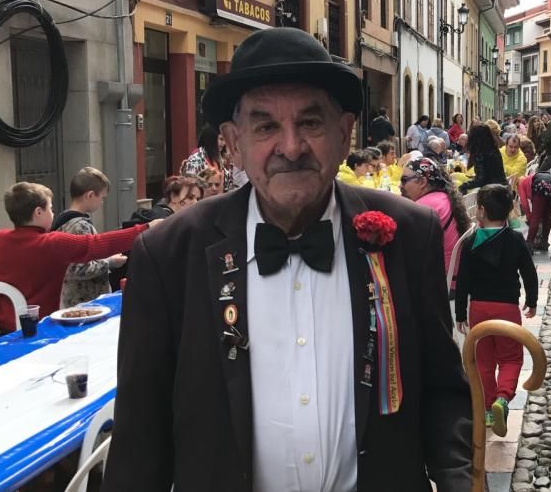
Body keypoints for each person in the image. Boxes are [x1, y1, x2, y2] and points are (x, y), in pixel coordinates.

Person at [103, 27, 471, 492]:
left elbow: (442, 389)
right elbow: (140, 436)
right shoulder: (168, 255)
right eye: (265, 127)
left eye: (310, 123)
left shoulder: (409, 236)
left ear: (343, 135)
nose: (291, 146)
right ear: (233, 144)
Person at [0, 182, 159, 332]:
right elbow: (97, 244)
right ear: (38, 212)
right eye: (50, 208)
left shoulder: (0, 239)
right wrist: (145, 228)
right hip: (36, 326)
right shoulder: (52, 243)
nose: (53, 213)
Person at [454, 185, 538, 437]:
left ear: (480, 211)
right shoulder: (514, 239)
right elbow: (529, 273)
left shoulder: (469, 243)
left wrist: (460, 313)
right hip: (507, 308)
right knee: (511, 358)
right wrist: (531, 300)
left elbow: (463, 281)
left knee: (483, 361)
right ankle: (502, 399)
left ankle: (489, 411)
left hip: (478, 309)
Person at [51, 167, 129, 308]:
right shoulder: (80, 226)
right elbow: (79, 268)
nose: (102, 202)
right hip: (85, 302)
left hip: (74, 299)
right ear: (90, 195)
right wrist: (110, 262)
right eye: (102, 197)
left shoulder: (63, 220)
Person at [400, 158, 472, 281]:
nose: (400, 185)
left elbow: (404, 245)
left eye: (404, 180)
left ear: (422, 181)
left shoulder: (424, 206)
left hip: (440, 283)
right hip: (456, 277)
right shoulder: (443, 196)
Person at [518, 170, 551, 253]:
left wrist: (529, 218)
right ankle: (544, 242)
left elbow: (524, 204)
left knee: (535, 217)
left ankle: (529, 245)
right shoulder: (530, 178)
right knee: (547, 216)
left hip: (541, 186)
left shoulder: (521, 182)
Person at [181, 124, 233, 192]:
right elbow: (190, 185)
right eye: (221, 139)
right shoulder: (196, 159)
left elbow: (227, 183)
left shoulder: (218, 158)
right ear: (211, 139)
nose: (223, 143)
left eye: (224, 140)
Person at [459, 124, 506, 194]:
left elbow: (480, 180)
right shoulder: (494, 149)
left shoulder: (479, 154)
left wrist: (463, 186)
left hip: (491, 193)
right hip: (502, 189)